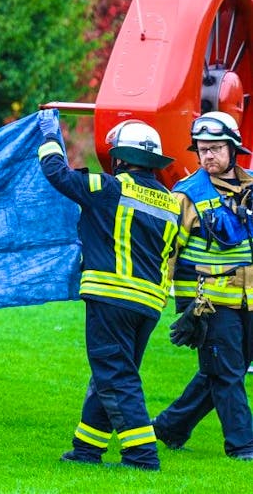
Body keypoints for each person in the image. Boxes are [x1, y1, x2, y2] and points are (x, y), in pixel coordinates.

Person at [38, 112, 180, 471]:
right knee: (112, 372)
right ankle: (86, 448)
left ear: (119, 158)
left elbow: (58, 175)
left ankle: (142, 455)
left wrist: (49, 134)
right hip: (148, 306)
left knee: (116, 376)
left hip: (111, 296)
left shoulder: (110, 187)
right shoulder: (169, 202)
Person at [153, 111, 253, 460]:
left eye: (215, 148)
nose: (207, 156)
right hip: (208, 302)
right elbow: (168, 249)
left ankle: (169, 427)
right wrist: (158, 295)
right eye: (202, 149)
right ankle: (243, 447)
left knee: (225, 369)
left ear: (233, 148)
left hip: (249, 301)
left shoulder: (252, 188)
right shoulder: (185, 194)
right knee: (227, 374)